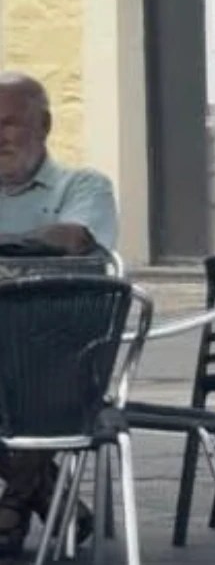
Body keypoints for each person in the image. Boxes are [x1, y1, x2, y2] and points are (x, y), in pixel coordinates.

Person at [0, 71, 115, 556]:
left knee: (35, 370)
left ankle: (12, 507)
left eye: (8, 123)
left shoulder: (82, 185)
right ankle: (49, 498)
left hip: (66, 358)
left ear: (44, 125)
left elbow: (71, 239)